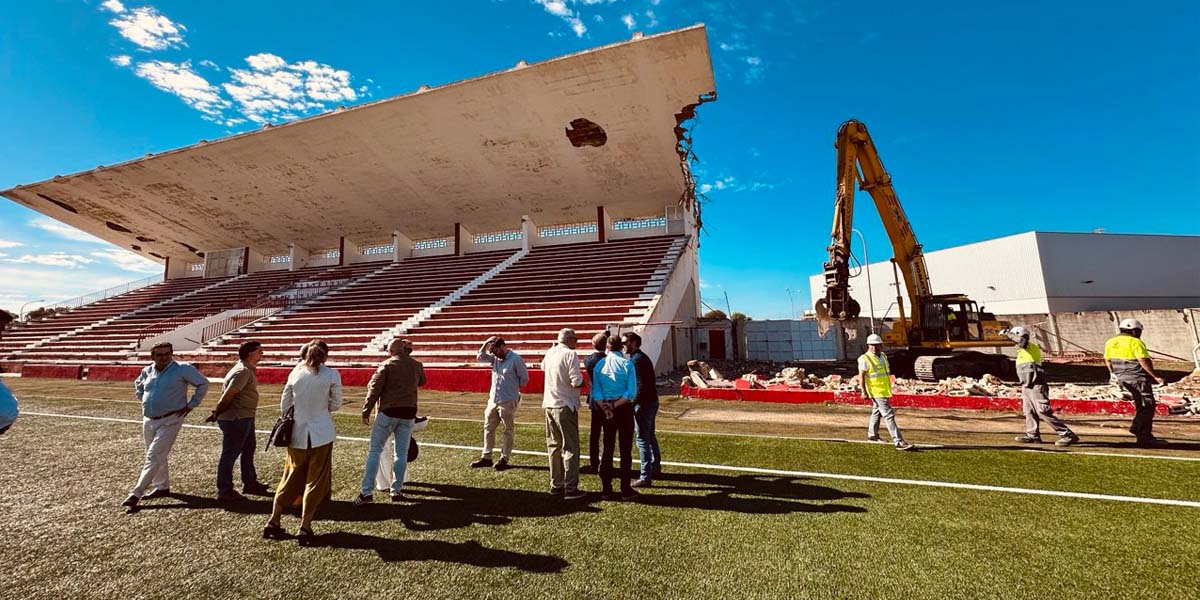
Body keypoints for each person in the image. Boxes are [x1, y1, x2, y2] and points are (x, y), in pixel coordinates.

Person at [264, 341, 342, 544]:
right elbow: (336, 405)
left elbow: (284, 405)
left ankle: (274, 520)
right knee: (315, 481)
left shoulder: (295, 373)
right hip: (322, 433)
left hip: (297, 434)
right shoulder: (332, 374)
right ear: (325, 356)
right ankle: (305, 526)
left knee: (290, 476)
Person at [122, 342, 210, 509]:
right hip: (148, 419)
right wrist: (144, 401)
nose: (164, 357)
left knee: (153, 456)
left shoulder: (183, 369)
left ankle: (136, 493)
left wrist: (192, 404)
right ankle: (161, 486)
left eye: (167, 354)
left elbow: (203, 383)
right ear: (152, 357)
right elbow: (139, 386)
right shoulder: (147, 370)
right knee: (154, 454)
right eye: (160, 355)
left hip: (171, 419)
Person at [355, 338, 425, 505]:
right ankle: (396, 490)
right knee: (401, 454)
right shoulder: (416, 365)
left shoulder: (387, 365)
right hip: (408, 412)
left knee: (375, 451)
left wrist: (367, 409)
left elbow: (374, 388)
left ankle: (366, 492)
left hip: (389, 410)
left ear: (391, 351)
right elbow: (422, 381)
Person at [205, 341, 272, 501]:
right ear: (250, 353)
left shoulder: (245, 369)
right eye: (259, 352)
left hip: (244, 417)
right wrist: (217, 412)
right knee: (230, 454)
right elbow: (229, 395)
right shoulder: (242, 371)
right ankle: (225, 490)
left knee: (248, 450)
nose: (262, 354)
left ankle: (249, 482)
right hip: (236, 418)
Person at [1008, 327, 1079, 446]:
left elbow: (1021, 341)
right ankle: (1032, 436)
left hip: (1037, 384)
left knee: (1043, 412)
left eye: (1014, 338)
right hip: (1027, 386)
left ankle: (1067, 435)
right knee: (1029, 411)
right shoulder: (1021, 352)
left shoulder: (1030, 347)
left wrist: (1007, 334)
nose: (1013, 342)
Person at [1104, 319, 1167, 447]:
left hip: (1122, 378)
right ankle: (1139, 430)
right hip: (1137, 378)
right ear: (1134, 331)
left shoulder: (1110, 342)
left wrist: (1113, 374)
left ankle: (1143, 436)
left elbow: (1108, 360)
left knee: (1141, 405)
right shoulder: (1135, 342)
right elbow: (1143, 360)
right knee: (1148, 406)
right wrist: (1155, 376)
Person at [590, 335, 639, 501]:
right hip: (623, 409)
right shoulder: (627, 364)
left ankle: (606, 489)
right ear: (621, 347)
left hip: (606, 409)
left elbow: (596, 392)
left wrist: (606, 407)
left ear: (607, 348)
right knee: (625, 450)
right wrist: (615, 405)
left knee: (607, 448)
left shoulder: (600, 365)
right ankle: (625, 489)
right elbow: (631, 393)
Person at [471, 336, 529, 471]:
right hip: (493, 399)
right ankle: (486, 456)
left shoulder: (516, 359)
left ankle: (504, 458)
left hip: (508, 400)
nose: (495, 354)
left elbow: (524, 379)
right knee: (488, 427)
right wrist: (486, 342)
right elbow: (480, 356)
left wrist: (512, 389)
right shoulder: (496, 358)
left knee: (508, 430)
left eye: (496, 351)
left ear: (503, 347)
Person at [542, 328, 587, 500]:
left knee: (553, 446)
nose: (576, 342)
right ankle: (571, 487)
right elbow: (575, 380)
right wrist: (584, 381)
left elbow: (543, 367)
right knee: (570, 446)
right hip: (565, 404)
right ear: (569, 339)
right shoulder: (570, 355)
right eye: (575, 339)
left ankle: (556, 483)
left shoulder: (550, 352)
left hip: (549, 403)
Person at [858, 334, 915, 451]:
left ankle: (872, 436)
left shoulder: (883, 356)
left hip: (884, 390)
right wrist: (863, 391)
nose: (874, 348)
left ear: (881, 345)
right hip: (876, 391)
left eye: (876, 345)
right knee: (889, 415)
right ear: (868, 346)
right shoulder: (864, 359)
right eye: (871, 345)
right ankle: (898, 441)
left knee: (876, 412)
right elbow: (861, 377)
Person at [623, 332, 663, 487]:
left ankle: (645, 476)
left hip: (644, 404)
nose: (624, 346)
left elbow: (640, 386)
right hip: (651, 401)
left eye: (626, 342)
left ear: (633, 343)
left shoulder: (637, 360)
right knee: (649, 435)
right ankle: (655, 466)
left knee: (642, 439)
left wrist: (632, 404)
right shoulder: (641, 358)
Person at [580, 332, 609, 475]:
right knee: (607, 434)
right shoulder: (609, 359)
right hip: (608, 399)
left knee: (595, 433)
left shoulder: (589, 360)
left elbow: (589, 359)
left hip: (594, 399)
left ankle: (594, 463)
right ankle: (605, 463)